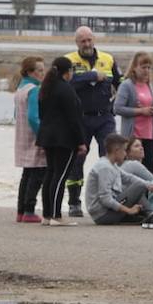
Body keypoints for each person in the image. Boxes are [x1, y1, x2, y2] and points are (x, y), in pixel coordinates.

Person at [63, 26, 122, 218]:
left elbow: (120, 84)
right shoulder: (69, 60)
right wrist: (91, 75)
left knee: (110, 158)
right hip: (80, 118)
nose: (87, 44)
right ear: (76, 42)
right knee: (76, 158)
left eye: (89, 40)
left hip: (105, 117)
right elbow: (65, 83)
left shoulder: (108, 58)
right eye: (82, 41)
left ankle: (110, 199)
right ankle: (74, 203)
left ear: (94, 39)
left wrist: (116, 107)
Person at [36, 56, 87, 226]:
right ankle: (56, 215)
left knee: (50, 174)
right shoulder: (66, 89)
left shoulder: (46, 87)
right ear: (68, 72)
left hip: (48, 137)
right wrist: (81, 141)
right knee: (60, 176)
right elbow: (74, 118)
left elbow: (42, 114)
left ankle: (47, 215)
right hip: (64, 139)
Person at [84, 134, 153, 225]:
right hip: (102, 215)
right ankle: (151, 214)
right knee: (139, 186)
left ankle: (149, 214)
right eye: (124, 150)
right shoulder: (105, 168)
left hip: (106, 211)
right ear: (116, 150)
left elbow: (129, 178)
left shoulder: (112, 165)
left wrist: (150, 185)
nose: (125, 154)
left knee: (138, 185)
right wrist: (129, 210)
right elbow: (105, 198)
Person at [11, 55, 46, 224]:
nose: (42, 73)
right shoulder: (34, 89)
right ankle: (29, 210)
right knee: (37, 174)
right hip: (33, 136)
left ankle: (20, 210)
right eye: (39, 70)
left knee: (27, 174)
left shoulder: (20, 89)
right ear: (30, 72)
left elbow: (16, 114)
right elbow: (33, 117)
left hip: (21, 134)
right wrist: (43, 135)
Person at [114, 51, 153, 174]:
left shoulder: (148, 85)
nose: (146, 70)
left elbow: (148, 105)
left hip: (149, 134)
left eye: (149, 68)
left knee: (149, 171)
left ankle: (148, 194)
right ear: (134, 67)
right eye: (143, 67)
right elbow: (117, 108)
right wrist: (141, 111)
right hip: (133, 136)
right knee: (131, 171)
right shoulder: (126, 85)